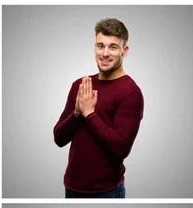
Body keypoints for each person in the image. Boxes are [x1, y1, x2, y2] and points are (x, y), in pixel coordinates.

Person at [54, 18, 143, 198]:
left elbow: (121, 148)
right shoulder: (80, 85)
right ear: (94, 47)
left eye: (113, 47)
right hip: (72, 187)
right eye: (100, 46)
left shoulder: (131, 92)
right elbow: (59, 138)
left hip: (107, 191)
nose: (105, 53)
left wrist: (89, 113)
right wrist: (76, 114)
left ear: (125, 51)